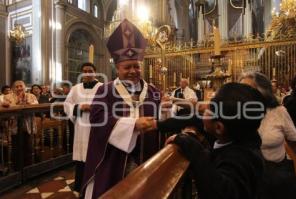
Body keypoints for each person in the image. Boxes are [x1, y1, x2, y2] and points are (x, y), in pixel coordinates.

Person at [81, 19, 163, 199]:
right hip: (114, 160)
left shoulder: (154, 91)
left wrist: (167, 112)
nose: (133, 71)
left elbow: (160, 118)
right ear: (117, 68)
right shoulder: (105, 90)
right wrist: (133, 125)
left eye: (136, 66)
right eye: (127, 67)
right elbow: (98, 118)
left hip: (147, 157)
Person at [166, 83, 266, 199]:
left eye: (210, 107)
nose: (204, 108)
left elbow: (219, 191)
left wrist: (192, 147)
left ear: (219, 127)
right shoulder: (244, 136)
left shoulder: (240, 159)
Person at [240, 72, 296, 199]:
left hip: (275, 178)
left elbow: (295, 142)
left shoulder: (278, 112)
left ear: (263, 91)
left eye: (248, 89)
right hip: (246, 177)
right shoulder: (235, 113)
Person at [64, 62, 102, 192]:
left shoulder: (102, 87)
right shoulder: (75, 88)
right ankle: (81, 185)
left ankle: (97, 185)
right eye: (84, 71)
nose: (87, 73)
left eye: (90, 71)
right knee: (82, 157)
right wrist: (79, 107)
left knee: (95, 154)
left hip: (96, 125)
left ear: (95, 72)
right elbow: (67, 104)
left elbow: (108, 105)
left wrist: (93, 108)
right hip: (80, 126)